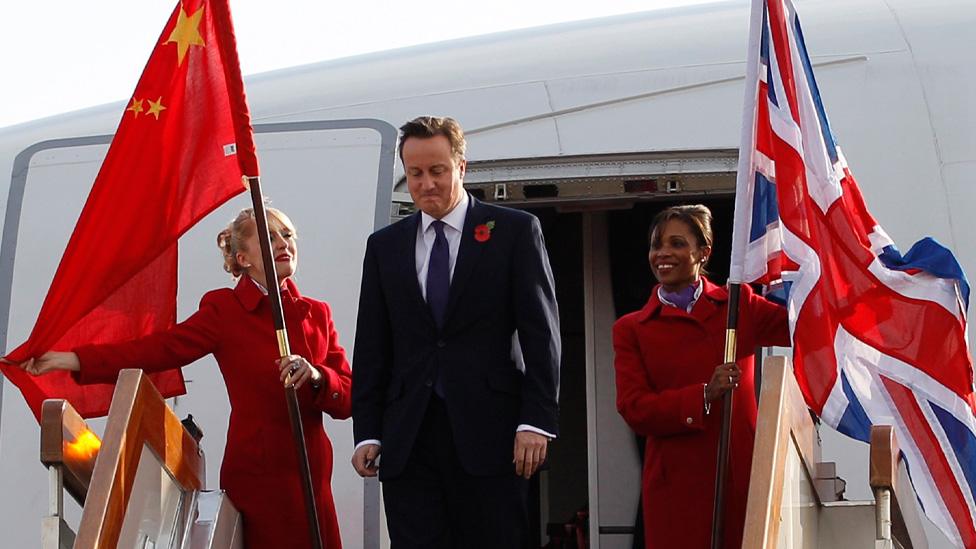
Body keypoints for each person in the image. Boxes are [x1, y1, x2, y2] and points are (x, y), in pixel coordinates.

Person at [19, 207, 351, 549]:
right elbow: (157, 350)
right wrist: (72, 359)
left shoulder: (316, 313)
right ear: (243, 257)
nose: (284, 243)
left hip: (312, 473)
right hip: (258, 476)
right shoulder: (225, 310)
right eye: (269, 237)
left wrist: (316, 375)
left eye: (288, 235)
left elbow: (350, 396)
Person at [350, 116, 560, 548]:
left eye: (437, 170)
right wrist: (367, 430)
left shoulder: (514, 232)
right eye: (415, 173)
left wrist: (536, 422)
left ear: (462, 167)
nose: (426, 183)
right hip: (409, 441)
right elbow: (372, 346)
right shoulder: (385, 246)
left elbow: (542, 336)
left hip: (493, 437)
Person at [612, 204, 789, 549]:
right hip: (677, 491)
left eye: (677, 244)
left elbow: (805, 324)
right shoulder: (632, 329)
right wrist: (704, 395)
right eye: (656, 245)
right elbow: (634, 409)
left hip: (740, 482)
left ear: (703, 252)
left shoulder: (739, 308)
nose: (662, 254)